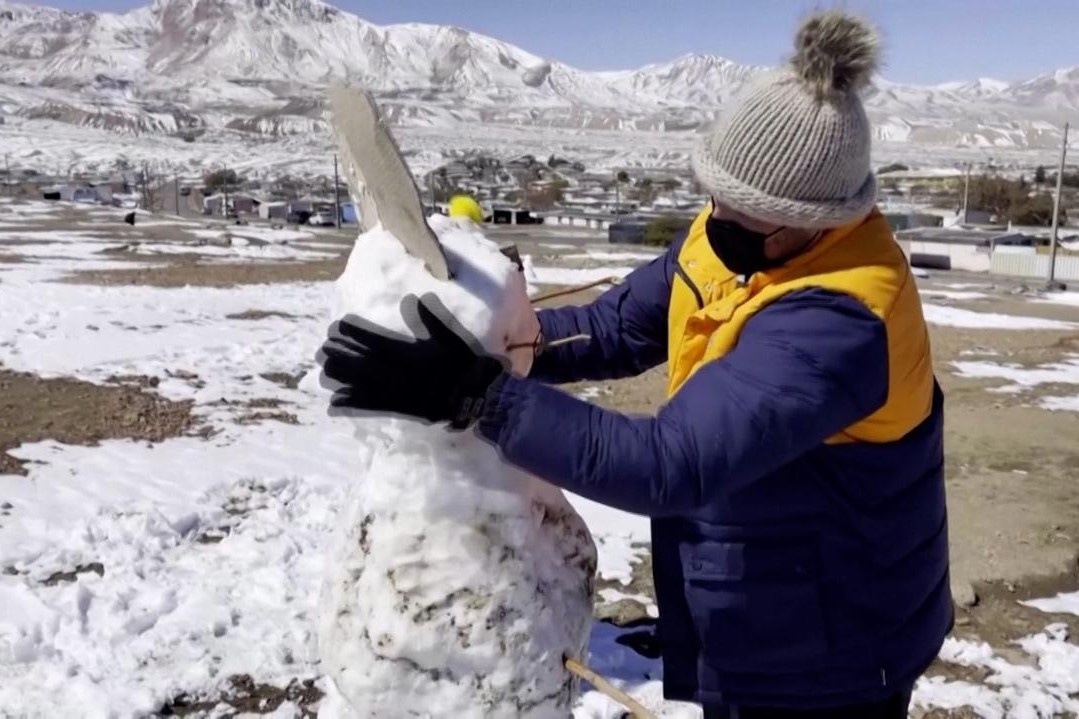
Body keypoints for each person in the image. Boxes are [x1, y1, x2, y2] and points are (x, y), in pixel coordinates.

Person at [317, 10, 951, 718]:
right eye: (716, 195)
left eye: (748, 212)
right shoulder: (733, 235)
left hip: (833, 638)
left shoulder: (842, 319)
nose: (718, 218)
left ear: (821, 218)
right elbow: (616, 325)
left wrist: (481, 395)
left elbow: (666, 463)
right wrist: (493, 339)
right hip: (770, 601)